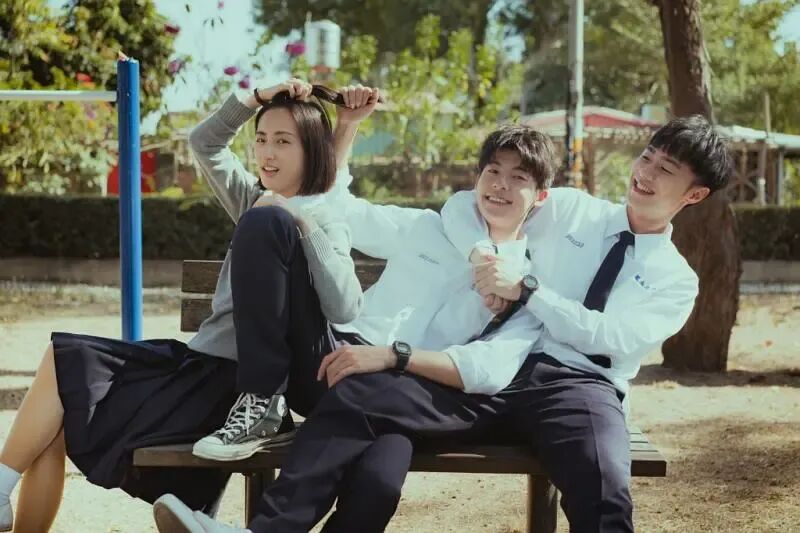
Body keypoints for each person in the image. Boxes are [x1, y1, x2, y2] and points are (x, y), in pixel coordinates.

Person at [155, 114, 732, 533]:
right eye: (647, 157)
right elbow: (468, 204)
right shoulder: (573, 209)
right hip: (488, 374)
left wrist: (526, 291)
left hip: (575, 384)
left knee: (602, 483)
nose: (646, 173)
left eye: (667, 169)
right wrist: (481, 252)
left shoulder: (674, 280)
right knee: (363, 400)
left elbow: (607, 340)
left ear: (695, 193)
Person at [153, 97, 565, 532]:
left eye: (518, 178)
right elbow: (338, 205)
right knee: (270, 219)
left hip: (401, 390)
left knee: (379, 483)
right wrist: (347, 125)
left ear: (539, 197)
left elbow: (487, 369)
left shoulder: (523, 286)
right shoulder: (428, 227)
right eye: (492, 172)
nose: (500, 186)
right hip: (331, 358)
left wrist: (393, 357)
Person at [0, 78, 393, 533]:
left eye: (283, 142)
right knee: (63, 369)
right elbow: (204, 142)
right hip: (196, 367)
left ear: (312, 151)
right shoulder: (252, 200)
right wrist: (257, 98)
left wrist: (301, 221)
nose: (267, 153)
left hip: (234, 386)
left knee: (61, 398)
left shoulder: (323, 219)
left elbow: (345, 306)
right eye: (262, 139)